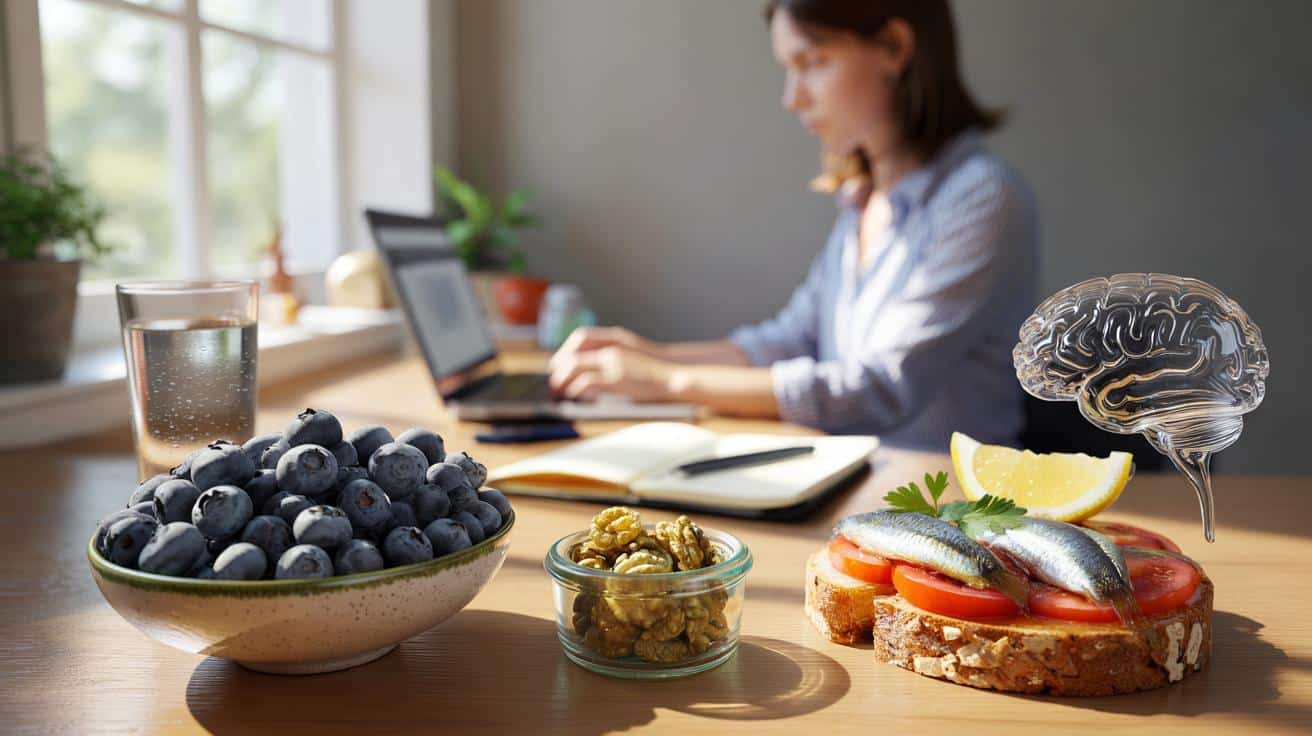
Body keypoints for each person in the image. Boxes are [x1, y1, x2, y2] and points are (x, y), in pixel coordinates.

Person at [548, 0, 1038, 449]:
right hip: (856, 481)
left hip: (947, 502)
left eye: (812, 63)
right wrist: (657, 356)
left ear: (894, 47)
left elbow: (880, 387)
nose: (793, 97)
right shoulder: (864, 199)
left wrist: (667, 381)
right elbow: (793, 340)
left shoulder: (982, 196)